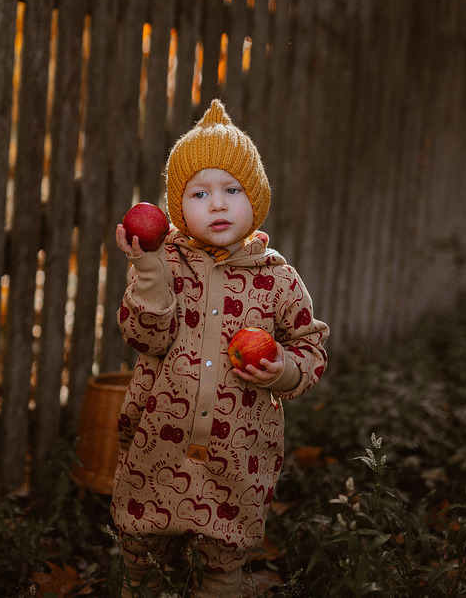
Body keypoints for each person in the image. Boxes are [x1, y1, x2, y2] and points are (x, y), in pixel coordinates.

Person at [111, 99, 329, 597]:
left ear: (256, 198)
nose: (217, 204)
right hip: (158, 440)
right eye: (199, 192)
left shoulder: (276, 278)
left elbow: (310, 345)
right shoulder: (163, 264)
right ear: (175, 208)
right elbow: (146, 336)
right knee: (142, 561)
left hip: (239, 450)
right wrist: (146, 269)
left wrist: (282, 372)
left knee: (224, 567)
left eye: (232, 190)